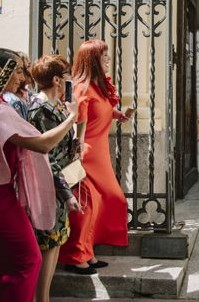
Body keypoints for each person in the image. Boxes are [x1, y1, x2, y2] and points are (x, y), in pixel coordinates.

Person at [0, 48, 78, 302]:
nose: (25, 79)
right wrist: (73, 115)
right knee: (28, 261)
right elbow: (43, 144)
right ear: (0, 73)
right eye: (19, 71)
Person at [58, 39, 131, 274]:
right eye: (104, 56)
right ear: (92, 61)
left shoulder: (98, 87)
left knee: (107, 201)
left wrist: (119, 115)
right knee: (86, 207)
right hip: (85, 155)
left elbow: (103, 110)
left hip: (100, 155)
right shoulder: (81, 88)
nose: (108, 60)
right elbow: (76, 123)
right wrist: (76, 154)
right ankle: (74, 256)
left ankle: (86, 251)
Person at [27, 54, 82, 302]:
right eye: (66, 76)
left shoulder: (57, 104)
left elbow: (59, 144)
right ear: (58, 80)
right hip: (48, 185)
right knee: (48, 243)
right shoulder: (41, 108)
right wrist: (67, 194)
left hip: (57, 182)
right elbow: (47, 156)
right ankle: (42, 298)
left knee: (55, 241)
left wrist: (75, 143)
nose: (69, 81)